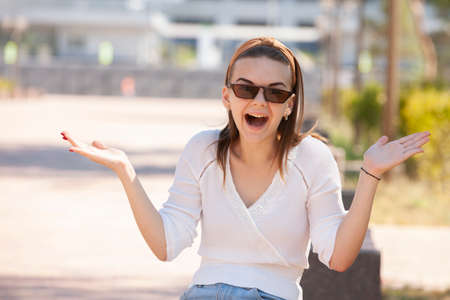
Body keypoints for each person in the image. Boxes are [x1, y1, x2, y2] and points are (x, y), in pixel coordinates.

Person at [60, 37, 430, 300]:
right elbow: (166, 243)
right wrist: (127, 172)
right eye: (245, 88)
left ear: (289, 105)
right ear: (227, 95)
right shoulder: (202, 150)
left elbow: (338, 256)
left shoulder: (312, 159)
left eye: (275, 92)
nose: (259, 101)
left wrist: (370, 175)